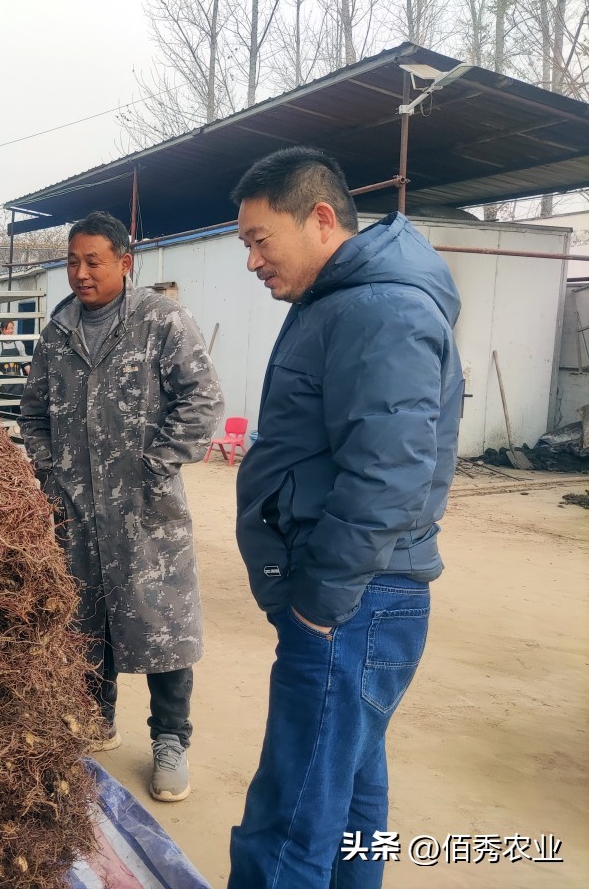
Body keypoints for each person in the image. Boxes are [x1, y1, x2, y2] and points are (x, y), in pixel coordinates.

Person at [227, 147, 464, 887]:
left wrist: (319, 605)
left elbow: (389, 474)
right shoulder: (341, 300)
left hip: (354, 601)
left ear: (321, 218)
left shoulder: (380, 308)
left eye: (260, 240)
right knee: (351, 804)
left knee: (288, 824)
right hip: (360, 598)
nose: (252, 261)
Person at [20, 211, 223, 803]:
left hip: (145, 511)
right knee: (84, 620)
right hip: (75, 510)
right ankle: (95, 719)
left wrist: (155, 466)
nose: (81, 274)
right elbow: (33, 413)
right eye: (72, 262)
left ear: (125, 263)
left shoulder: (160, 320)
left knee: (163, 623)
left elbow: (202, 398)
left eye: (93, 262)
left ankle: (170, 740)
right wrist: (49, 472)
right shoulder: (58, 332)